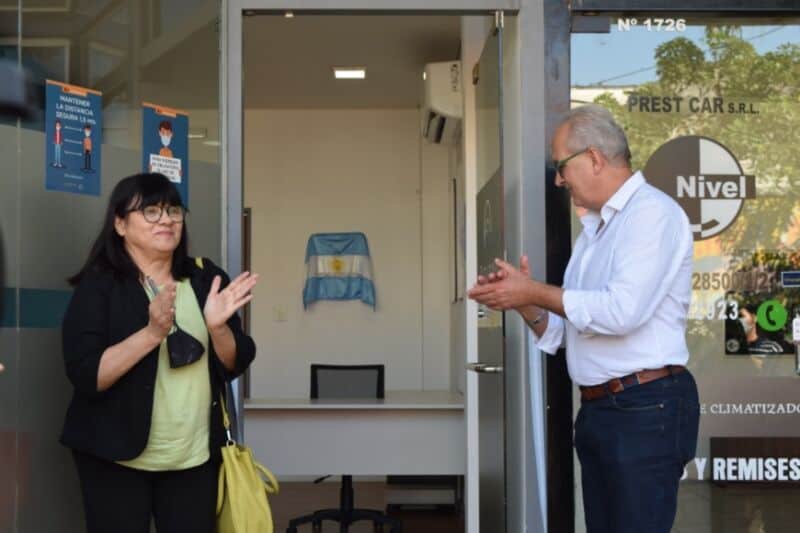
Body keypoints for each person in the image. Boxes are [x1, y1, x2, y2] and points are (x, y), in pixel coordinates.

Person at [468, 104, 700, 533]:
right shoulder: (596, 230)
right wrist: (523, 300)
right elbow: (564, 332)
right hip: (601, 411)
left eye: (561, 165)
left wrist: (535, 290)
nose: (558, 179)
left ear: (594, 158)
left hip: (646, 408)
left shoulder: (652, 214)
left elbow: (620, 313)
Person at [60, 172, 258, 533]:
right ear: (120, 224)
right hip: (115, 456)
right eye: (150, 211)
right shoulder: (100, 287)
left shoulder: (205, 279)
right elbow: (88, 376)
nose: (166, 219)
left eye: (173, 210)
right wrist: (152, 334)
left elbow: (235, 362)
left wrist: (218, 328)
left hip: (194, 459)